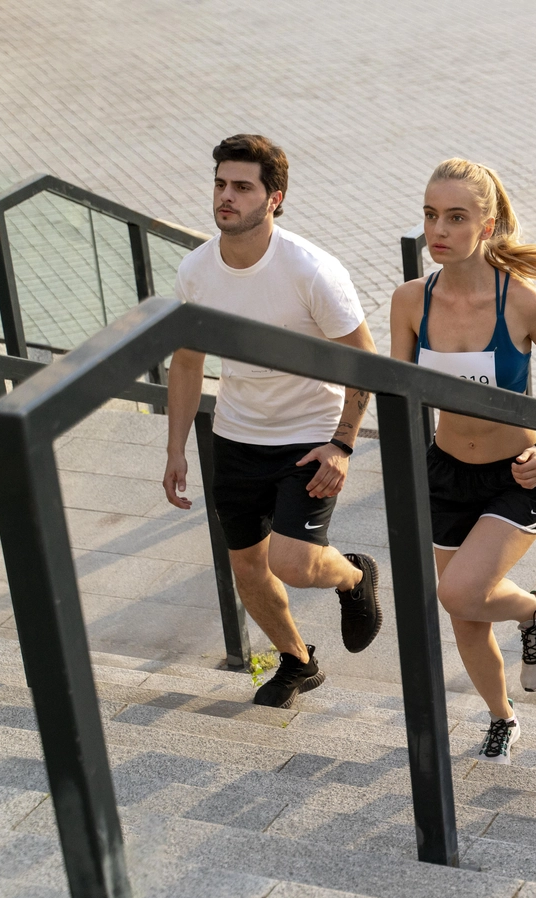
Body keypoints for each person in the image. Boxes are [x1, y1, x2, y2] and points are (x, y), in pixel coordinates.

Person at [163, 134, 383, 708]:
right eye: (220, 184)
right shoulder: (196, 271)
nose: (226, 197)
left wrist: (342, 445)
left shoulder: (311, 270)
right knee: (250, 569)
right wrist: (176, 448)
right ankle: (299, 661)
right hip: (236, 435)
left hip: (310, 434)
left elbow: (365, 360)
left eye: (242, 186)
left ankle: (355, 575)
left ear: (274, 197)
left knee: (293, 560)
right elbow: (187, 361)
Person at [388, 158, 536, 765]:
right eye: (429, 216)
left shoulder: (520, 301)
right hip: (446, 472)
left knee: (459, 591)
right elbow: (396, 388)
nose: (438, 230)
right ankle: (502, 717)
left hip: (514, 477)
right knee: (466, 613)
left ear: (487, 224)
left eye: (455, 217)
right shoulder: (409, 302)